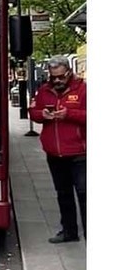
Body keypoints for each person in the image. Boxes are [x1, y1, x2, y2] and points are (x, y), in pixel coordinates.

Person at [28, 55, 87, 243]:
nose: (57, 81)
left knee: (84, 194)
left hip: (79, 152)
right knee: (63, 194)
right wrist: (41, 114)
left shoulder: (84, 89)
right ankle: (69, 232)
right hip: (54, 153)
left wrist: (69, 114)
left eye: (61, 77)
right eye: (54, 77)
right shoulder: (45, 90)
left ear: (69, 72)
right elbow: (34, 112)